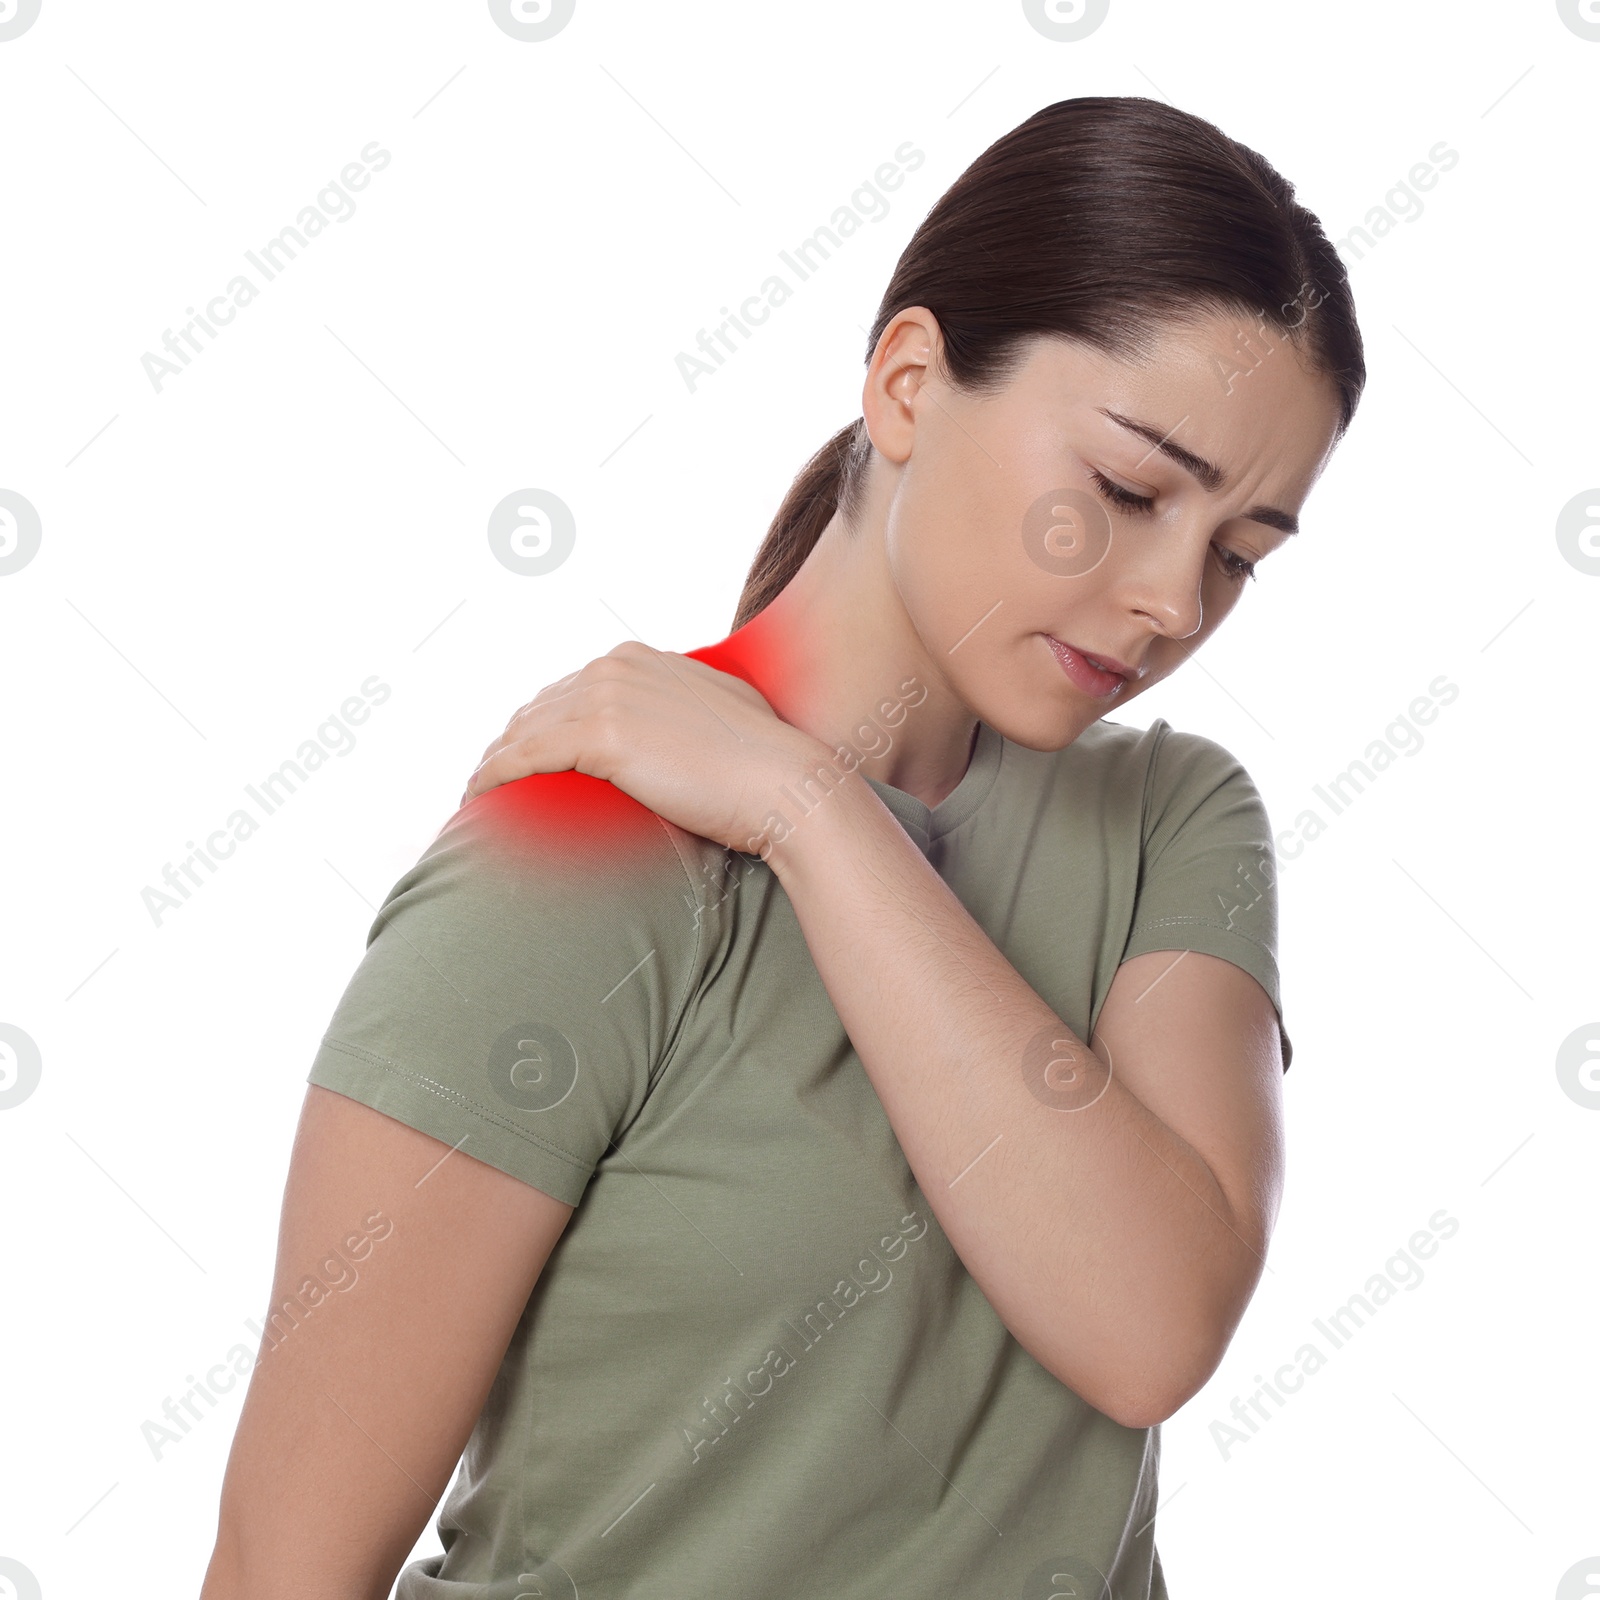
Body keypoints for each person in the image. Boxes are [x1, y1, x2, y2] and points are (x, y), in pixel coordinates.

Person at [199, 95, 1363, 1600]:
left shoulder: (1173, 821)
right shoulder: (576, 864)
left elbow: (1147, 1321)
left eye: (1238, 555)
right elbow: (282, 1569)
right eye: (1130, 492)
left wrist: (810, 812)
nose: (1174, 603)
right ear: (907, 384)